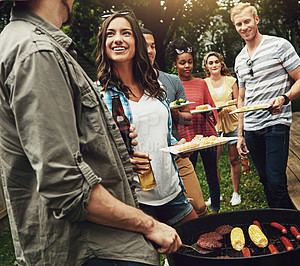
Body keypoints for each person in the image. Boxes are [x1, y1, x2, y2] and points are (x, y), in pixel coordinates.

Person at [0, 1, 181, 265]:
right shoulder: (37, 52)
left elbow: (62, 146)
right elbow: (67, 185)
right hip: (86, 247)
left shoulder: (26, 42)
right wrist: (150, 225)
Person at [96, 11, 198, 229]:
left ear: (137, 42)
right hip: (136, 200)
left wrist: (177, 145)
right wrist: (122, 161)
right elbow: (94, 151)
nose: (118, 39)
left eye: (126, 33)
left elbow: (163, 133)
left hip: (172, 191)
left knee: (196, 248)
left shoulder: (156, 87)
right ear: (104, 43)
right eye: (110, 34)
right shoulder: (99, 96)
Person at [230, 3, 300, 209]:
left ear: (257, 20)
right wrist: (240, 134)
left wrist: (284, 98)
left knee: (276, 182)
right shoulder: (239, 59)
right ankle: (279, 225)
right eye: (239, 24)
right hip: (251, 128)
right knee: (266, 182)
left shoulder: (279, 45)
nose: (244, 27)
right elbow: (241, 99)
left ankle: (294, 226)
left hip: (276, 122)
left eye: (247, 21)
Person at [141, 28, 209, 217]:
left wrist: (170, 112)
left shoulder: (171, 81)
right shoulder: (130, 84)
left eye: (153, 46)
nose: (150, 51)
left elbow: (187, 119)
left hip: (176, 150)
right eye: (144, 46)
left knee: (200, 207)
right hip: (148, 159)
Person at [166, 38, 221, 214]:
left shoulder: (201, 83)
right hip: (186, 138)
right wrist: (176, 115)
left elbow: (212, 108)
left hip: (206, 135)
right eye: (182, 63)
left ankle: (216, 210)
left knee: (212, 174)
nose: (187, 66)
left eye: (189, 62)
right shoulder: (172, 84)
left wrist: (207, 112)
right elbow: (173, 117)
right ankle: (193, 210)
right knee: (190, 175)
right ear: (175, 64)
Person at [202, 51, 242, 206]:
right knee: (213, 162)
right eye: (210, 63)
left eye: (216, 62)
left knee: (233, 159)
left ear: (221, 64)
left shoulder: (231, 80)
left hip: (232, 122)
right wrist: (214, 109)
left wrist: (228, 106)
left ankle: (236, 193)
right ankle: (215, 194)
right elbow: (204, 104)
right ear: (206, 66)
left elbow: (238, 102)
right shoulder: (203, 83)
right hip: (214, 125)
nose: (214, 65)